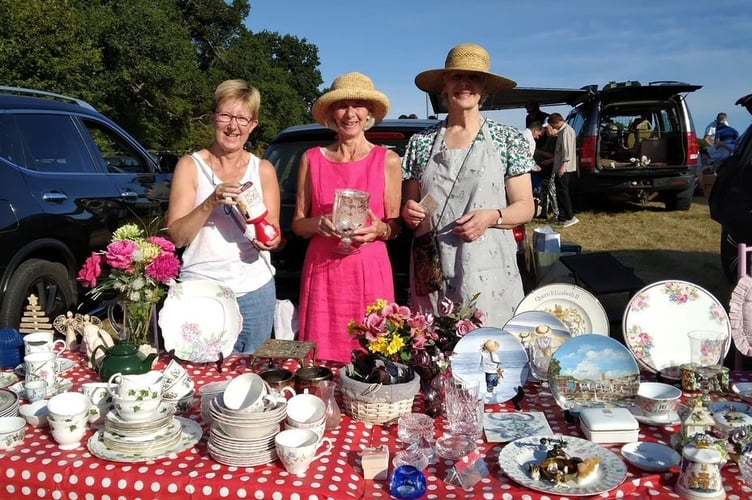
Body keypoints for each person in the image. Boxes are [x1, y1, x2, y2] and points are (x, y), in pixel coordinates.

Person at [401, 43, 535, 329]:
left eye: (473, 77)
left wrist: (492, 216)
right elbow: (409, 209)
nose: (464, 83)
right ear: (444, 85)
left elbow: (525, 206)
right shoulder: (420, 143)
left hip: (488, 266)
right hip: (432, 268)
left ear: (484, 88)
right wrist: (409, 212)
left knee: (490, 350)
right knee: (434, 355)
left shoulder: (507, 139)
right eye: (456, 76)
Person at [292, 72, 402, 363]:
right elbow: (298, 224)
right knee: (320, 360)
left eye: (358, 105)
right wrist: (317, 223)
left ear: (368, 113)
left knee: (373, 358)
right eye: (342, 106)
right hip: (323, 273)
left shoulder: (387, 161)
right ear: (331, 113)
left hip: (369, 271)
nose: (350, 113)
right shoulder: (311, 159)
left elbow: (395, 227)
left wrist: (380, 228)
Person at [167, 79, 282, 355]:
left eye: (242, 118)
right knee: (199, 376)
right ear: (212, 118)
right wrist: (210, 202)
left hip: (255, 291)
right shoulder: (189, 166)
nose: (233, 126)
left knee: (250, 379)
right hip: (201, 292)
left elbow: (276, 234)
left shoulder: (263, 169)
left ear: (253, 124)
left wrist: (270, 240)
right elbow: (177, 236)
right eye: (226, 116)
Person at [548, 113, 578, 228]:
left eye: (552, 125)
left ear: (556, 122)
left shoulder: (566, 132)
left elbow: (567, 151)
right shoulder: (563, 131)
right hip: (560, 166)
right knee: (560, 192)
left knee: (563, 192)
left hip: (565, 167)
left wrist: (563, 166)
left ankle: (570, 216)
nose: (553, 128)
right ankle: (563, 216)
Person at [535, 122, 559, 221]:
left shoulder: (555, 139)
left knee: (552, 192)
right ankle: (543, 212)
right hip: (544, 170)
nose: (545, 131)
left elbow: (553, 155)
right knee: (543, 192)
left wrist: (539, 152)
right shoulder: (545, 139)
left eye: (547, 128)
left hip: (551, 170)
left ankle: (556, 213)